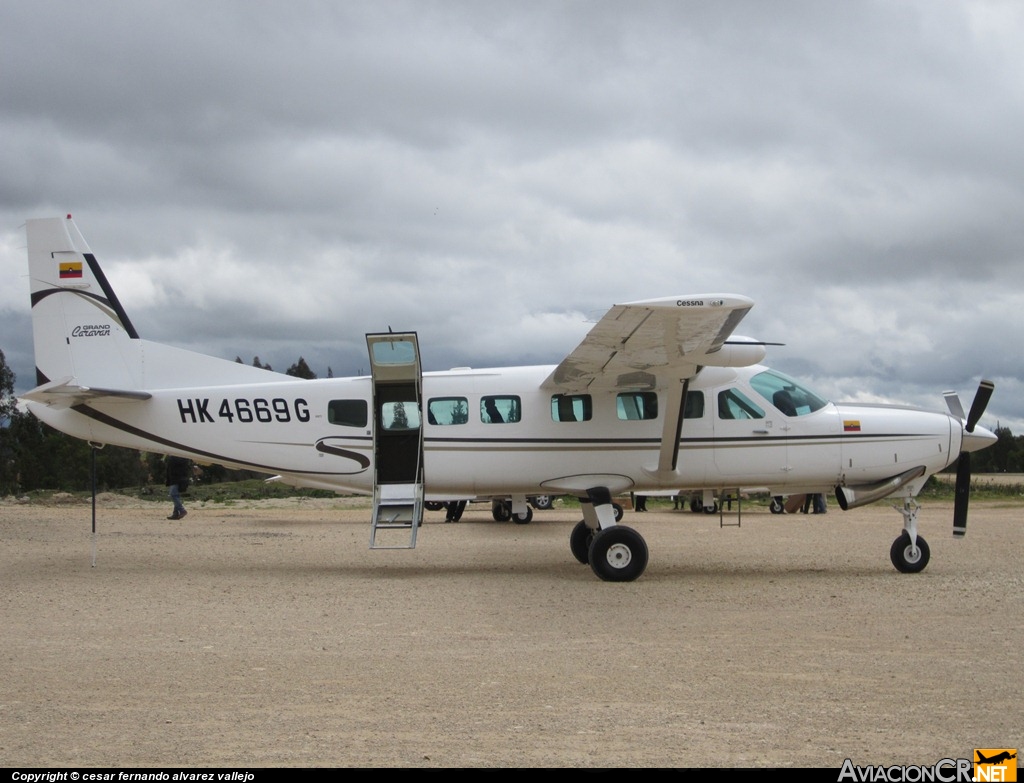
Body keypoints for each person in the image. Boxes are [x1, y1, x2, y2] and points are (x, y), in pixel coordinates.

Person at [165, 455, 190, 520]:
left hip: (177, 479)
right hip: (176, 479)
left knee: (173, 494)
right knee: (176, 495)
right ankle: (175, 513)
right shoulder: (181, 458)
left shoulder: (177, 457)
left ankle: (182, 510)